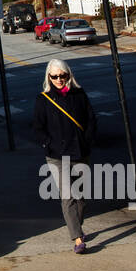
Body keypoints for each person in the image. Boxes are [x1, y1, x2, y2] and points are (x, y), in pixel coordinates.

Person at [31, 59, 98, 254]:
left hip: (80, 152)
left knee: (81, 197)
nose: (59, 80)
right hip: (57, 156)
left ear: (69, 75)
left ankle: (76, 226)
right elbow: (37, 127)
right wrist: (47, 143)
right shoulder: (43, 100)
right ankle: (77, 238)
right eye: (55, 76)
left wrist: (88, 141)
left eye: (63, 75)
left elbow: (91, 120)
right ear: (48, 77)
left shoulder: (79, 95)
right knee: (67, 196)